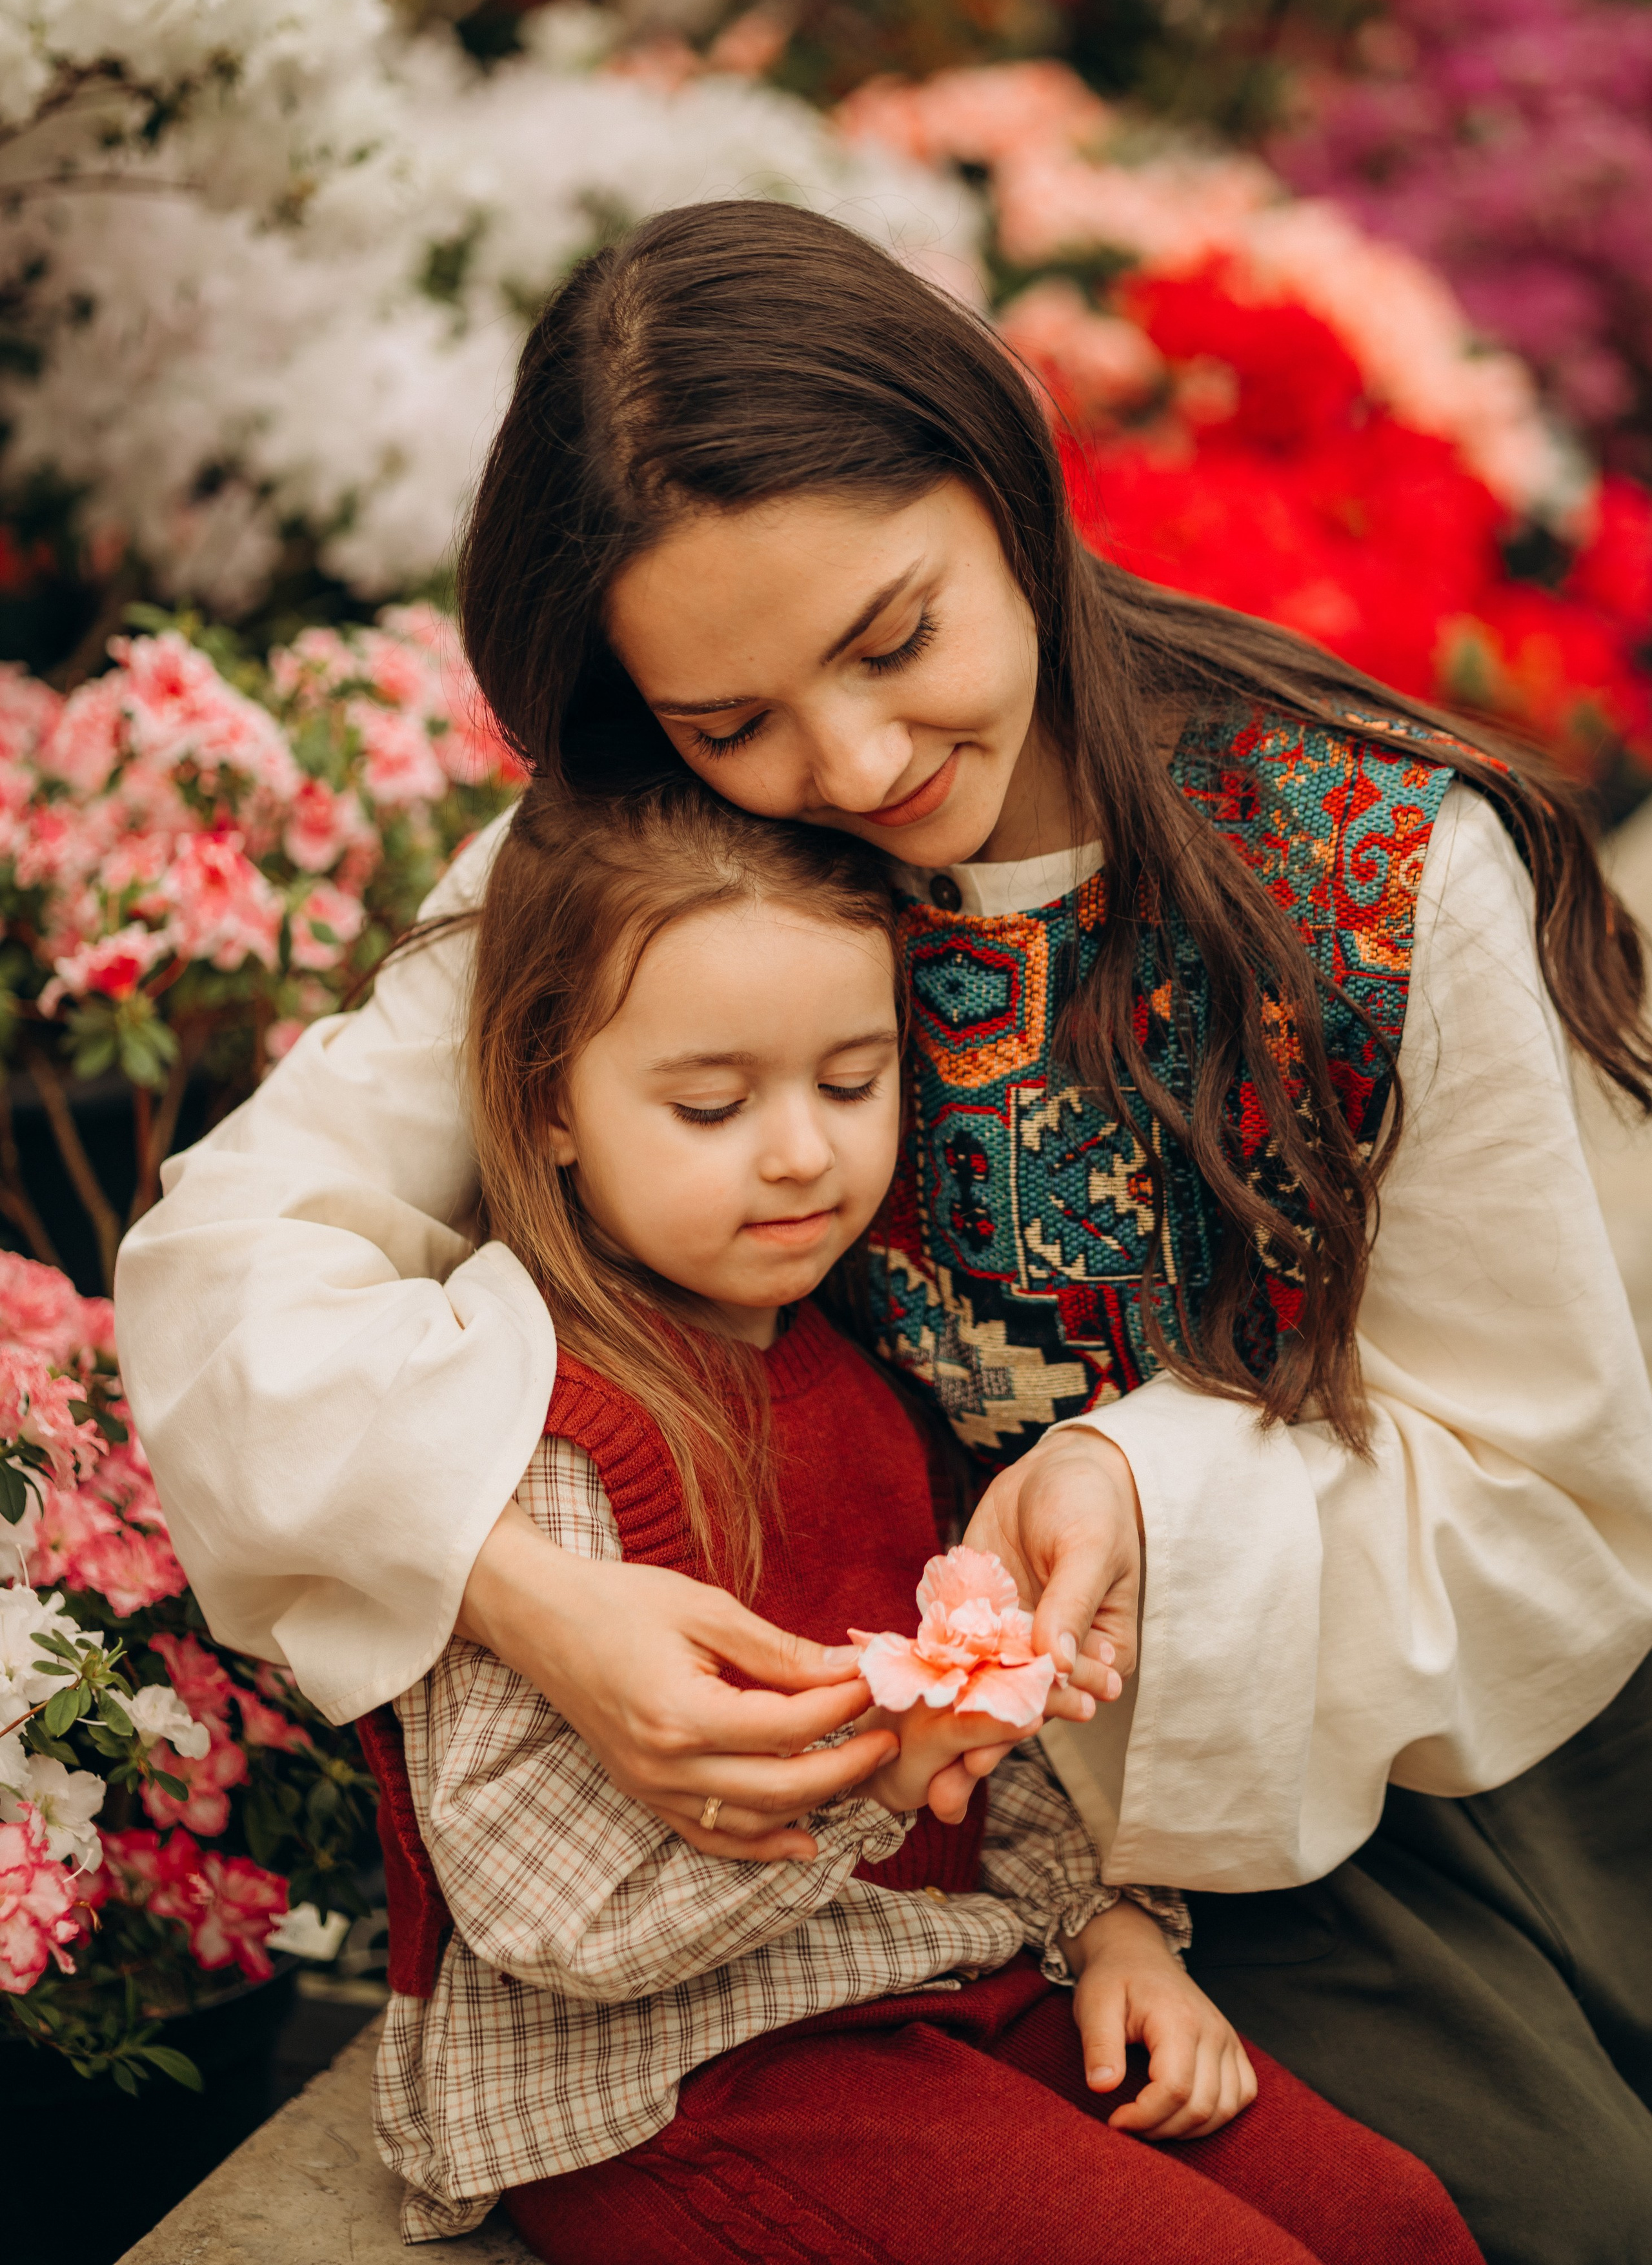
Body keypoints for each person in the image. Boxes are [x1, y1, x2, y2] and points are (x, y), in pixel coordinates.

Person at [115, 200, 1652, 2262]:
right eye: (730, 720)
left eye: (894, 636)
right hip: (872, 1841)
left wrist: (1143, 1483)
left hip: (1320, 1731)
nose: (843, 765)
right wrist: (518, 1591)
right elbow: (236, 1251)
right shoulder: (649, 859)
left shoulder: (1371, 871)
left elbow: (1537, 1477)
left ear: (1006, 478)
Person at [368, 773, 1479, 2264]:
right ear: (548, 1098)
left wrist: (1108, 1927)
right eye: (711, 1103)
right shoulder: (530, 1418)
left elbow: (1004, 1754)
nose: (800, 1153)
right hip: (667, 2075)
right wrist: (882, 1776)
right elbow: (554, 1919)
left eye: (850, 1082)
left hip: (937, 1982)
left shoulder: (870, 1371)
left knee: (1387, 2219)